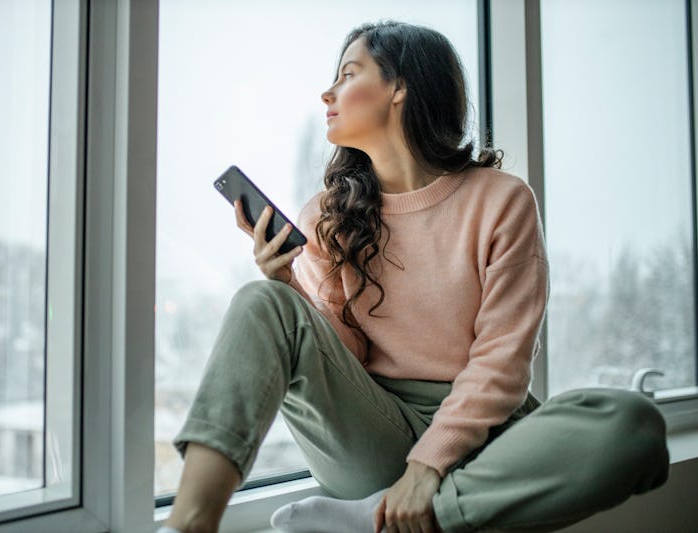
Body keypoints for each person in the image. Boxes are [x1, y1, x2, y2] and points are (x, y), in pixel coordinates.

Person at [161, 21, 669, 533]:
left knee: (632, 424)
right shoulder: (326, 217)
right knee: (262, 299)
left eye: (347, 74)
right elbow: (348, 357)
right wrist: (289, 285)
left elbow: (502, 361)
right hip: (374, 428)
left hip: (489, 439)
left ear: (399, 86)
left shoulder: (501, 201)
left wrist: (428, 467)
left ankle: (379, 520)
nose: (327, 92)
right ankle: (187, 525)